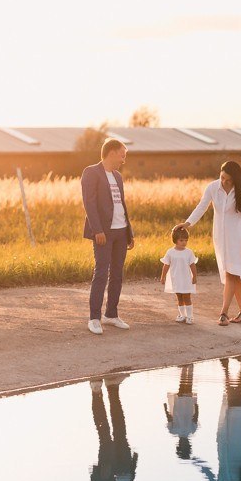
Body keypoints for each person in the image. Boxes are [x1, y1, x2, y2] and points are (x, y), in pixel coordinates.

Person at [177, 160, 241, 327]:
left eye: (228, 180)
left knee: (232, 274)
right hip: (221, 239)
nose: (224, 182)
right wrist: (187, 223)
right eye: (222, 177)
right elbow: (202, 207)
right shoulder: (213, 187)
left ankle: (223, 313)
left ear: (235, 179)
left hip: (238, 239)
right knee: (234, 276)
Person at [81, 138, 134, 335]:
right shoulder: (91, 172)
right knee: (101, 273)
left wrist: (129, 232)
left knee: (117, 274)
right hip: (104, 232)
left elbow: (122, 205)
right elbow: (89, 203)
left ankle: (111, 314)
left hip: (121, 230)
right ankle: (94, 318)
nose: (123, 159)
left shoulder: (118, 176)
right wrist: (97, 230)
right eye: (122, 155)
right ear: (112, 153)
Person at [160, 225, 198, 324]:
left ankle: (190, 316)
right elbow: (166, 265)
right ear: (175, 240)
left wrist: (194, 276)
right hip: (176, 278)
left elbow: (192, 265)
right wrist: (163, 276)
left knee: (187, 297)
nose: (184, 242)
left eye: (186, 240)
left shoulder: (188, 252)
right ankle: (182, 315)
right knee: (179, 297)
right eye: (181, 240)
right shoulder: (170, 252)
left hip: (186, 279)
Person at [163, 363, 199, 459]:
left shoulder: (174, 430)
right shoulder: (191, 430)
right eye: (185, 446)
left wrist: (165, 409)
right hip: (186, 405)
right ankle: (188, 367)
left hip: (182, 405)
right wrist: (196, 406)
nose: (184, 444)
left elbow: (169, 418)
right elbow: (195, 417)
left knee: (183, 385)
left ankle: (187, 367)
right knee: (186, 385)